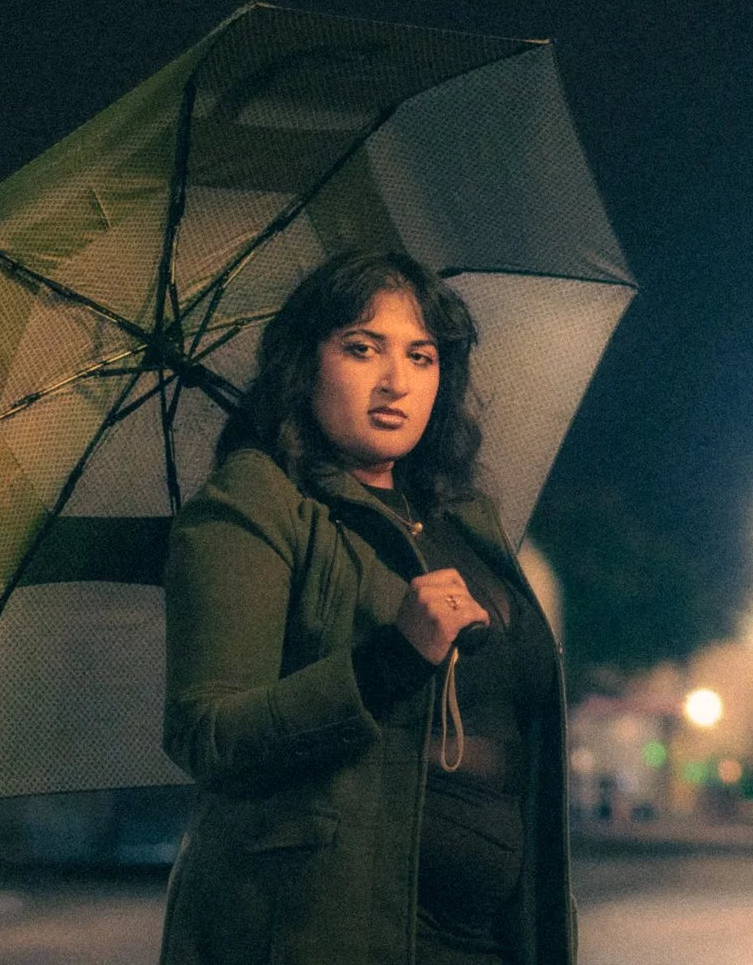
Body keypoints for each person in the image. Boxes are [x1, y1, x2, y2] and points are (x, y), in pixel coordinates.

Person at [158, 248, 572, 965]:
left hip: (495, 942)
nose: (395, 383)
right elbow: (210, 735)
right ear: (304, 364)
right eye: (361, 349)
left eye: (422, 356)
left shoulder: (463, 519)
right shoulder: (255, 504)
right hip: (337, 934)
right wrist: (391, 658)